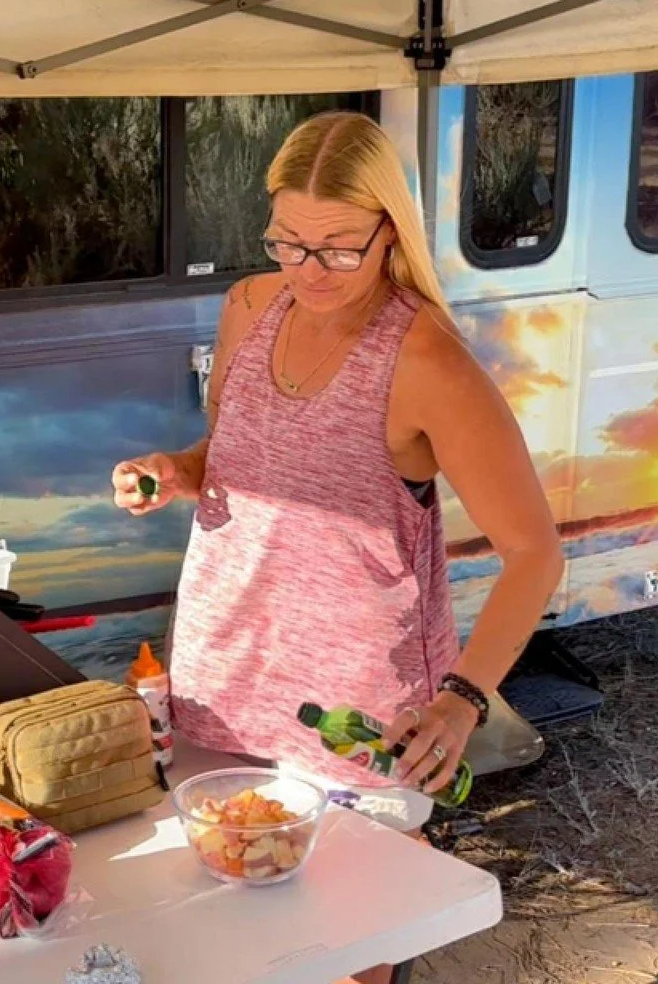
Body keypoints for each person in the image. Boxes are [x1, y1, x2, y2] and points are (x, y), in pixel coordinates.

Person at [112, 111, 561, 984]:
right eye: (288, 242)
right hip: (225, 667)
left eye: (339, 249)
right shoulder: (249, 307)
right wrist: (175, 471)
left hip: (356, 711)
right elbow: (233, 455)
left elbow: (535, 552)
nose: (308, 271)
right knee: (229, 924)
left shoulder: (427, 361)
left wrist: (462, 701)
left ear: (391, 233)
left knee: (344, 952)